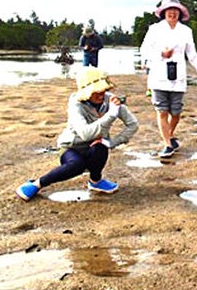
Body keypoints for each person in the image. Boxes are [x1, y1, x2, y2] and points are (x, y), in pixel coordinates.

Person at [15, 67, 139, 201]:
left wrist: (112, 142)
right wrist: (111, 115)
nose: (100, 95)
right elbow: (86, 134)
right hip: (71, 147)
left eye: (103, 90)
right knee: (76, 165)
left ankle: (95, 181)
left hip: (94, 146)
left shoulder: (110, 101)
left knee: (101, 147)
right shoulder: (76, 104)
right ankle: (36, 184)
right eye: (95, 91)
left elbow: (133, 124)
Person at [140, 0, 197, 159]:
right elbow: (144, 50)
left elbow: (192, 55)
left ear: (180, 13)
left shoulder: (186, 31)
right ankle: (167, 144)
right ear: (164, 12)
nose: (172, 13)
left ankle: (170, 135)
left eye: (175, 10)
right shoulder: (154, 29)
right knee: (162, 111)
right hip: (158, 75)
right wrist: (161, 54)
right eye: (169, 10)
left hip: (178, 76)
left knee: (176, 112)